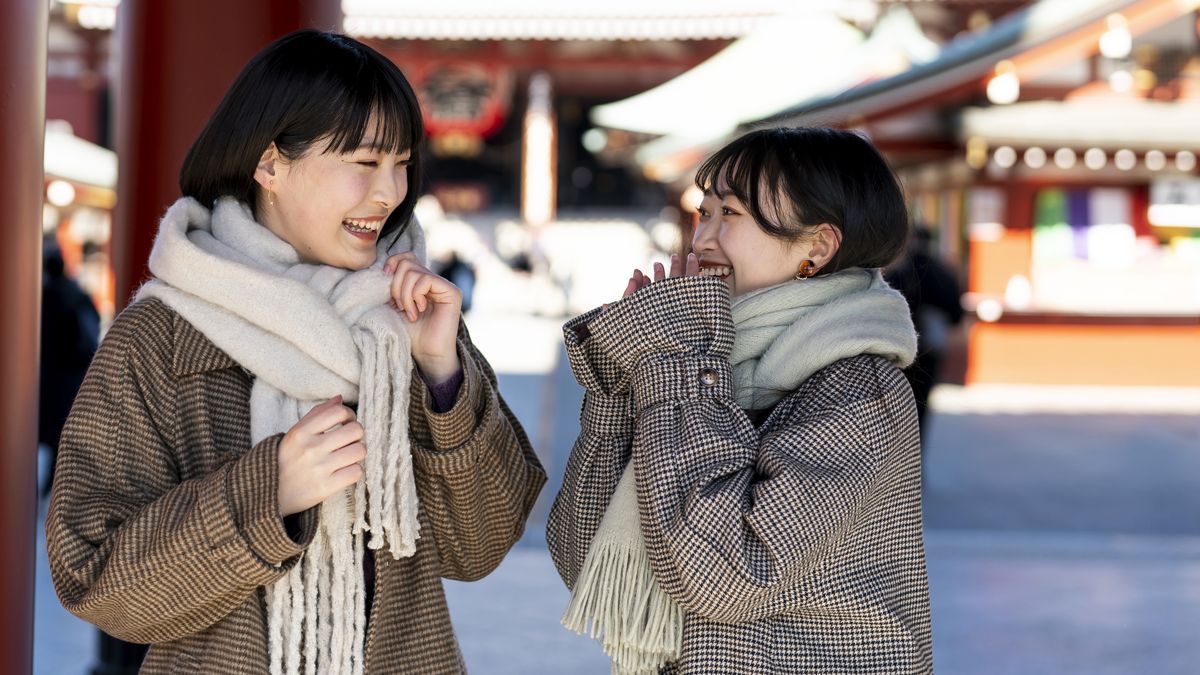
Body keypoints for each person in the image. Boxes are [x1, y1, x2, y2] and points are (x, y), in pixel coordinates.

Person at [46, 30, 545, 675]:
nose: (391, 192)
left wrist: (442, 376)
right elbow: (93, 575)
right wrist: (268, 491)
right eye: (364, 164)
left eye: (402, 163)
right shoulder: (160, 336)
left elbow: (479, 546)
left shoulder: (405, 314)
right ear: (271, 164)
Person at [548, 127, 931, 674]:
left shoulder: (859, 390)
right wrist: (628, 376)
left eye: (730, 215)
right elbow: (579, 555)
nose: (702, 239)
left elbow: (726, 573)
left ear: (816, 248)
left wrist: (674, 359)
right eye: (702, 214)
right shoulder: (703, 366)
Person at [885, 226, 965, 433]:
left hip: (900, 346)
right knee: (921, 406)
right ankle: (916, 456)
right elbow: (956, 314)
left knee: (898, 408)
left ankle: (902, 456)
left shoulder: (900, 273)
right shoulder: (943, 274)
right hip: (932, 347)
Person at [38, 242, 100, 499]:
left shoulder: (44, 298)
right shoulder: (78, 293)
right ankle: (56, 485)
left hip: (50, 377)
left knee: (47, 432)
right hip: (75, 376)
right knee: (64, 434)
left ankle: (46, 487)